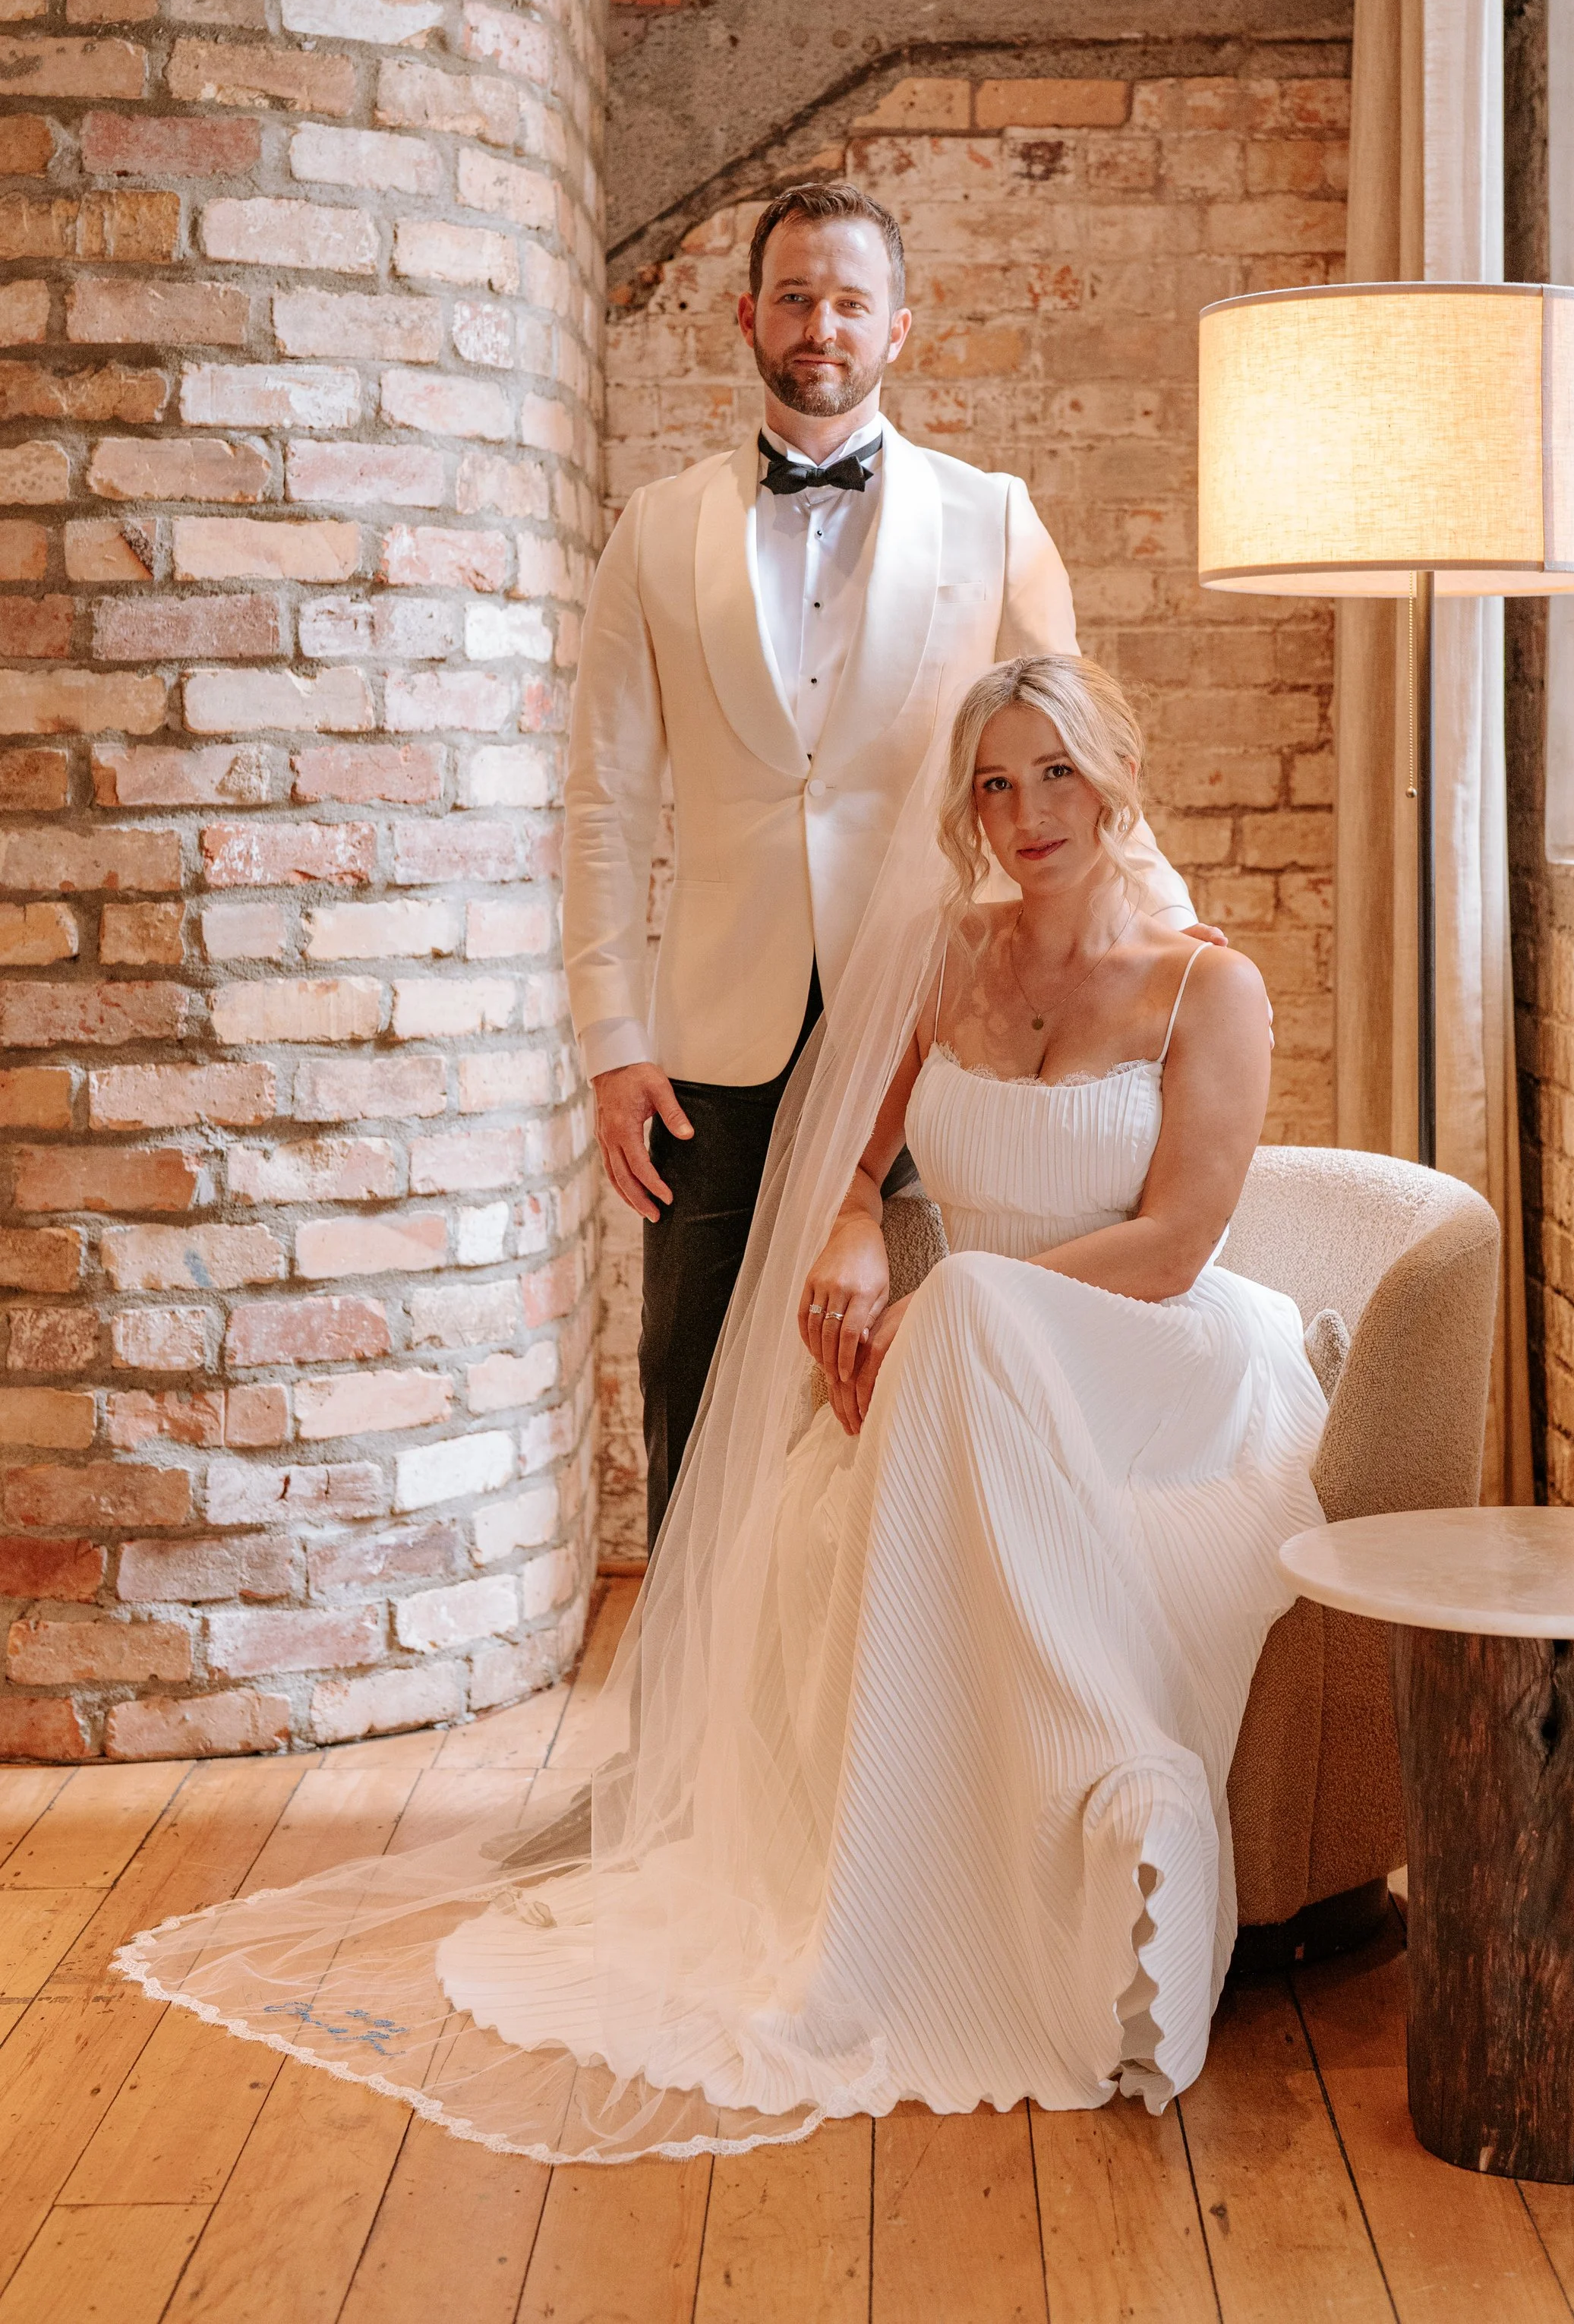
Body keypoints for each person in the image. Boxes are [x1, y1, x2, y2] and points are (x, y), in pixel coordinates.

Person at [117, 654, 1326, 2165]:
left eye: (1056, 775)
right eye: (995, 785)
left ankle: (1114, 1793)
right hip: (968, 1371)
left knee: (963, 1328)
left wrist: (953, 1305)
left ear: (1114, 774)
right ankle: (929, 1876)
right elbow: (855, 1162)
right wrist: (849, 1235)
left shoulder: (1206, 985)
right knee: (874, 1428)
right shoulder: (953, 958)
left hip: (1147, 1364)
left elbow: (1177, 1240)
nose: (1027, 814)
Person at [563, 178, 1208, 1543]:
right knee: (691, 1379)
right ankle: (690, 1741)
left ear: (897, 326)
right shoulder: (654, 532)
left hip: (938, 1021)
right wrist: (613, 1039)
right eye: (795, 295)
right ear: (746, 314)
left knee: (895, 1383)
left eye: (851, 300)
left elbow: (1078, 754)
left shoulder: (993, 519)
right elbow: (606, 804)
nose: (821, 325)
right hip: (710, 1048)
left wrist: (1175, 939)